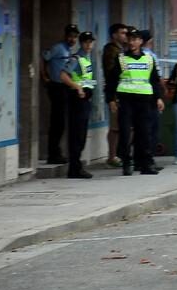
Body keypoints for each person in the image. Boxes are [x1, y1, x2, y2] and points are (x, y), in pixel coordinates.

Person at [115, 29, 164, 175]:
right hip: (126, 99)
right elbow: (112, 80)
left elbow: (154, 80)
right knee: (125, 132)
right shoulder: (122, 58)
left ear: (141, 41)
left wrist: (158, 98)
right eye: (130, 39)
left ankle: (145, 164)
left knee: (145, 132)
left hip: (144, 100)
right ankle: (126, 163)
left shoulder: (149, 59)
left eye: (135, 39)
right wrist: (111, 99)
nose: (132, 42)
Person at [58, 30, 97, 179]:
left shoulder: (87, 59)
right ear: (81, 43)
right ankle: (74, 168)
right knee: (76, 135)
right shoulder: (76, 58)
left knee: (81, 135)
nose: (89, 45)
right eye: (86, 42)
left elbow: (87, 79)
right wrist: (77, 87)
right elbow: (63, 75)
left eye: (90, 42)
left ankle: (77, 166)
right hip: (77, 100)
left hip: (85, 99)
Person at [42, 24, 79, 165]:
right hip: (56, 86)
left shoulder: (68, 50)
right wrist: (45, 76)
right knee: (57, 122)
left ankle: (56, 152)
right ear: (65, 36)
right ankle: (53, 153)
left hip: (64, 87)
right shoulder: (58, 48)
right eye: (70, 36)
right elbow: (44, 57)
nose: (72, 39)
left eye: (75, 37)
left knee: (61, 122)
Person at [101, 24, 127, 167]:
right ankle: (112, 156)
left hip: (124, 91)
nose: (125, 35)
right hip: (115, 92)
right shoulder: (111, 50)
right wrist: (111, 97)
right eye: (122, 33)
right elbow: (112, 73)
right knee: (115, 126)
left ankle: (121, 153)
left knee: (127, 126)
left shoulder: (122, 50)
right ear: (114, 35)